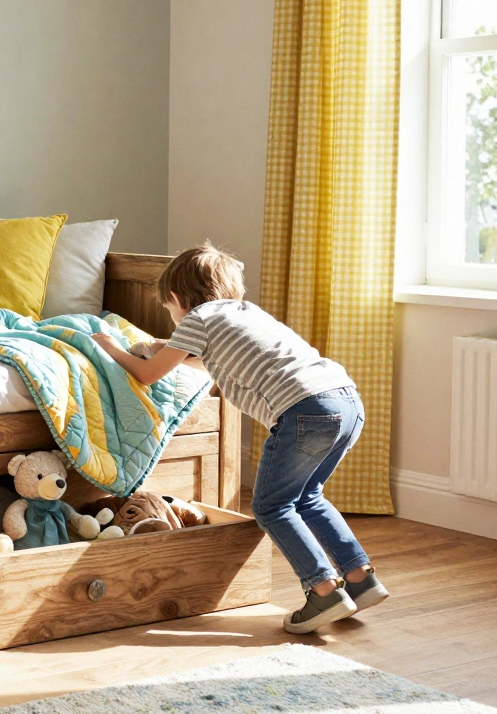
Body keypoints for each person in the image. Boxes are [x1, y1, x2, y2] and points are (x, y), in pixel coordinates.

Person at [91, 242, 390, 634]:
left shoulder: (197, 318)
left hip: (305, 410)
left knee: (271, 505)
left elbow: (148, 375)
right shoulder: (245, 314)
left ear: (178, 299)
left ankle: (322, 589)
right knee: (309, 496)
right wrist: (166, 347)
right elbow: (208, 361)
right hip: (345, 401)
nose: (174, 318)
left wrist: (109, 345)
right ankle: (359, 577)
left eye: (169, 310)